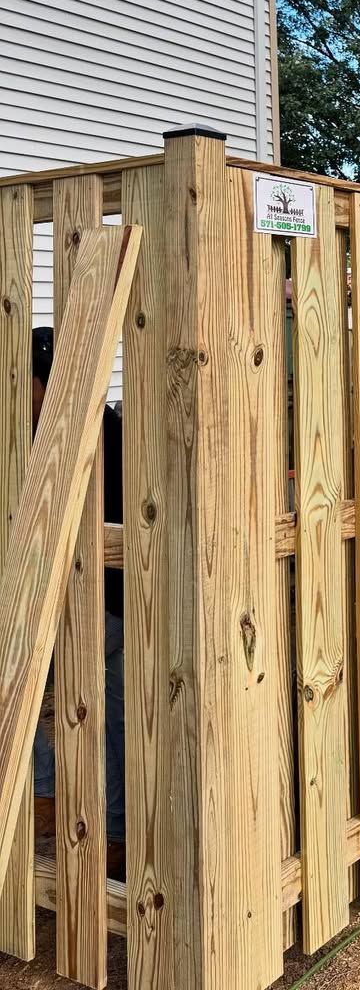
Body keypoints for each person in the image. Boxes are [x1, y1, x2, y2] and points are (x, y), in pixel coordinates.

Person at [31, 327, 125, 877]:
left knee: (35, 687)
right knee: (115, 718)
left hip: (94, 605)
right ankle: (115, 833)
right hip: (114, 603)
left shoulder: (60, 438)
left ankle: (45, 791)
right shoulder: (105, 425)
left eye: (29, 381)